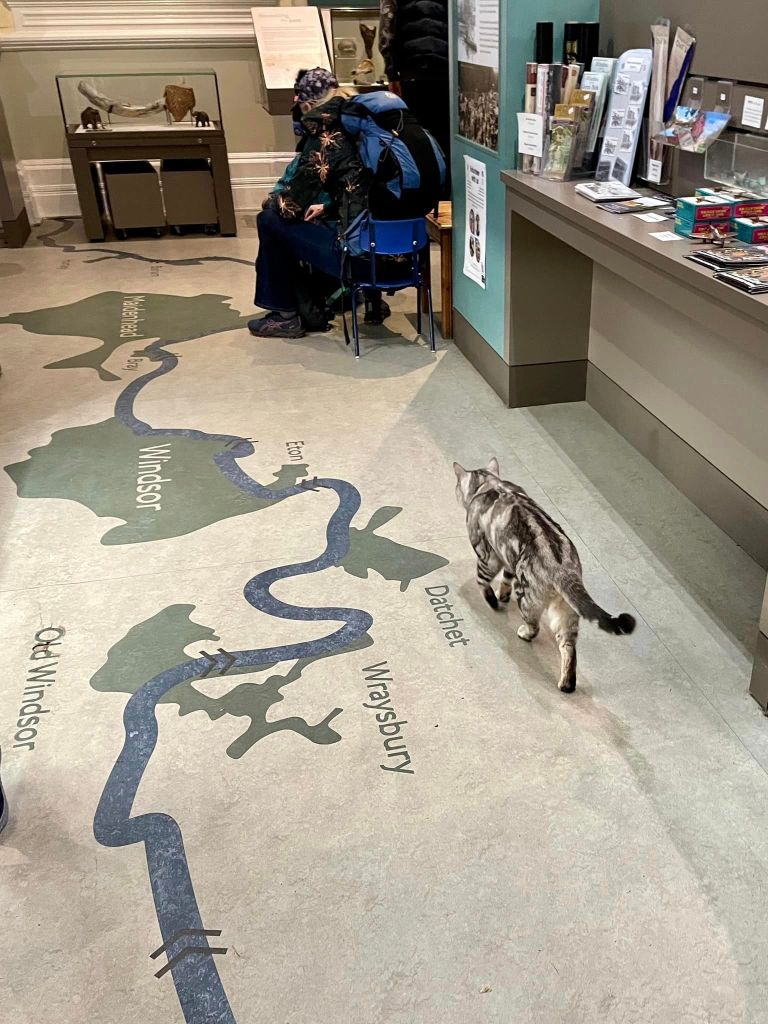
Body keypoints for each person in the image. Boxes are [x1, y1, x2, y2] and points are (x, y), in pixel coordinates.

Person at [249, 68, 376, 340]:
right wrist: (328, 207)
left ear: (307, 105)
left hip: (356, 255)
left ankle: (285, 315)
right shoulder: (363, 125)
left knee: (269, 221)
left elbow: (290, 204)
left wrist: (271, 201)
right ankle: (363, 300)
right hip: (396, 253)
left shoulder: (325, 136)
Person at [378, 0, 450, 179]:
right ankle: (445, 191)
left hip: (411, 71)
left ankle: (422, 187)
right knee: (445, 136)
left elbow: (387, 28)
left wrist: (391, 72)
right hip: (445, 68)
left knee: (415, 136)